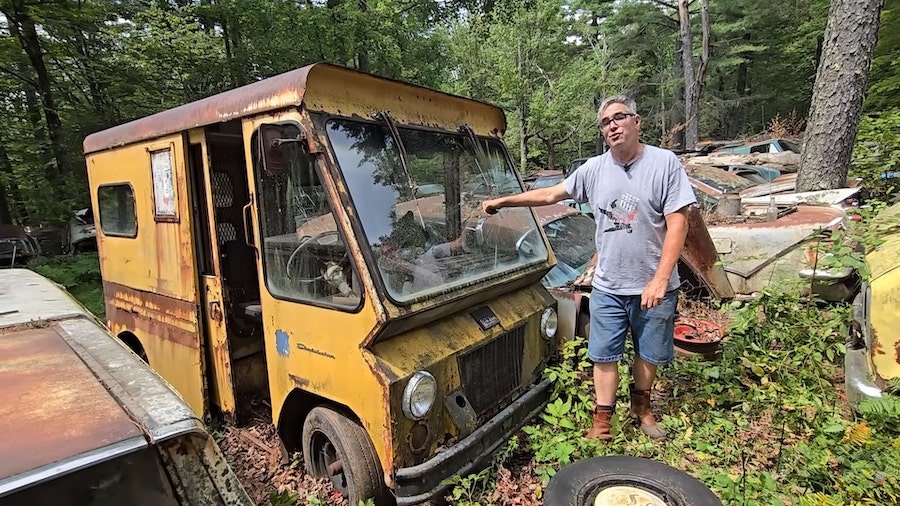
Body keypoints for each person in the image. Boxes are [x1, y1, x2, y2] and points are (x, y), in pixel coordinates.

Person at [482, 96, 696, 441]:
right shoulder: (594, 169)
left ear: (636, 121)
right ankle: (603, 420)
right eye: (605, 122)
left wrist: (659, 280)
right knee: (603, 354)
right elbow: (550, 195)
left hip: (652, 287)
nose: (612, 125)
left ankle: (641, 407)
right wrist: (504, 201)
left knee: (649, 353)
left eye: (619, 117)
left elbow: (678, 223)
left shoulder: (664, 163)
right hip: (609, 286)